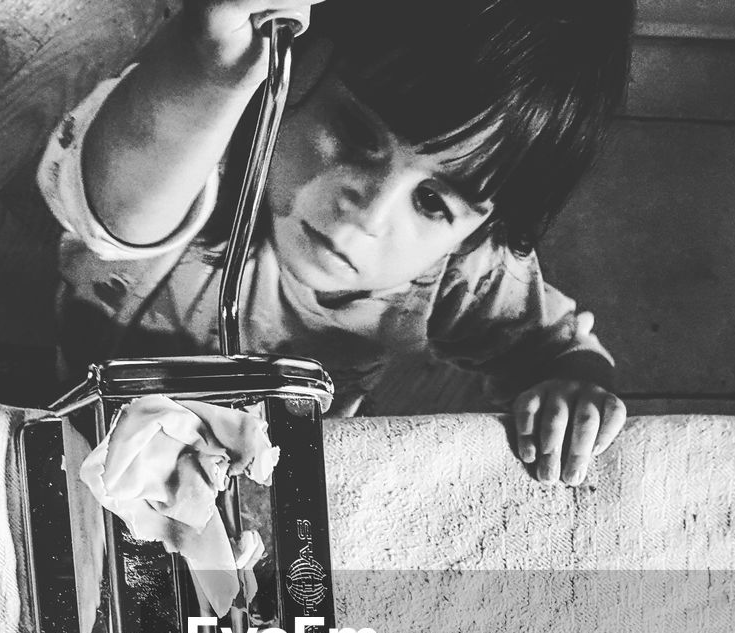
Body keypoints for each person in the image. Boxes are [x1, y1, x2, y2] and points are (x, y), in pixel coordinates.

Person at [38, 0, 634, 485]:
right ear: (295, 55)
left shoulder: (465, 269)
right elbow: (115, 215)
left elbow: (551, 351)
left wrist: (572, 387)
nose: (368, 214)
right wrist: (209, 71)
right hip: (88, 408)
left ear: (481, 225)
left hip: (275, 463)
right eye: (353, 132)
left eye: (433, 202)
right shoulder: (201, 129)